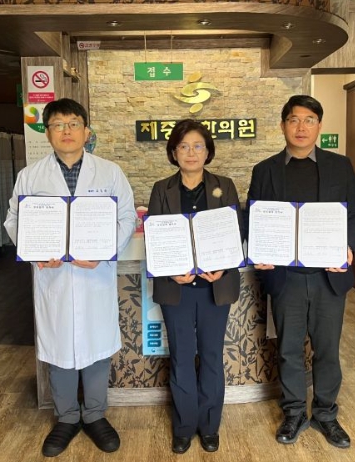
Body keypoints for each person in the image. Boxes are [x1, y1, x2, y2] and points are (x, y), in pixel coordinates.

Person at [4, 98, 136, 457]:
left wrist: (103, 251)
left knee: (96, 348)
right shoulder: (30, 176)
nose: (66, 130)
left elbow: (126, 218)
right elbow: (14, 220)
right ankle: (66, 418)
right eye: (58, 124)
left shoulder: (109, 172)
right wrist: (34, 251)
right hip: (54, 279)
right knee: (59, 348)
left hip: (95, 277)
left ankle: (95, 415)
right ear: (47, 132)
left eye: (74, 123)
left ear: (86, 131)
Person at [246, 95, 355, 449]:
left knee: (327, 348)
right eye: (294, 120)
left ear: (319, 126)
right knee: (288, 348)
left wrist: (348, 247)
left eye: (309, 120)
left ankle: (326, 414)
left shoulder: (340, 166)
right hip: (287, 278)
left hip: (329, 275)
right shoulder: (265, 170)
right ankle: (295, 412)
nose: (301, 127)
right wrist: (259, 250)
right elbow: (254, 216)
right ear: (283, 125)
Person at [147, 119, 242, 454]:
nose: (191, 152)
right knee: (182, 356)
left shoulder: (224, 186)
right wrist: (171, 271)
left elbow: (235, 234)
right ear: (174, 152)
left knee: (213, 355)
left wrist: (223, 266)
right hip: (177, 289)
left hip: (216, 287)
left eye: (198, 146)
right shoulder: (162, 189)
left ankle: (210, 425)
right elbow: (156, 238)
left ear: (208, 151)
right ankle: (185, 426)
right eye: (184, 146)